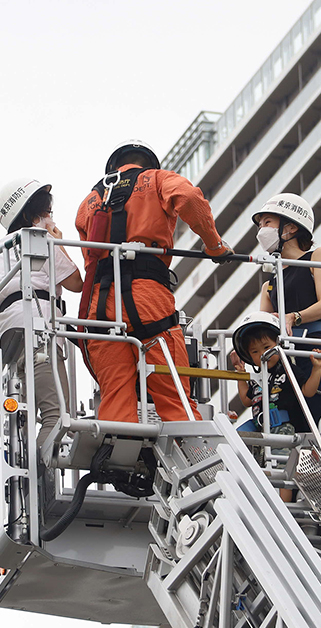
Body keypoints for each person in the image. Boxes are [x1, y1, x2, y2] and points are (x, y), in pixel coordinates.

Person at [75, 140, 232, 423]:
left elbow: (91, 259)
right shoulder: (158, 179)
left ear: (114, 167)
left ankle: (118, 458)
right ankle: (195, 453)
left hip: (99, 307)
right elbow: (190, 198)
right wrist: (214, 246)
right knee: (174, 396)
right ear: (147, 163)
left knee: (115, 395)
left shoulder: (89, 202)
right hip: (146, 295)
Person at [0, 178, 83, 457]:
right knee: (55, 417)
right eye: (48, 212)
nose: (51, 218)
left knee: (24, 417)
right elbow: (77, 282)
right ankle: (42, 482)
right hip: (39, 331)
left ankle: (23, 476)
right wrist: (58, 237)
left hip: (9, 336)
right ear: (33, 215)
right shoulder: (40, 242)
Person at [252, 192, 321, 429]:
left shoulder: (317, 256)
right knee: (290, 425)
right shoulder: (269, 283)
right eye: (260, 224)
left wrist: (294, 317)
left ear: (291, 227)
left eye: (267, 222)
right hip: (284, 359)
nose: (262, 229)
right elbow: (263, 330)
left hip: (317, 348)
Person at [230, 312, 321, 435]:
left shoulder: (288, 369)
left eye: (266, 347)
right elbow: (247, 400)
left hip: (284, 429)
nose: (262, 354)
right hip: (260, 429)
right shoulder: (257, 377)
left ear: (279, 344)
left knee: (278, 453)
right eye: (254, 351)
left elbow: (308, 391)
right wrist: (240, 373)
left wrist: (317, 368)